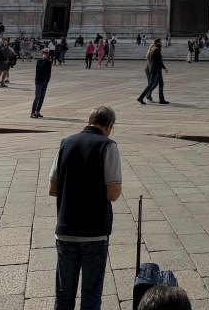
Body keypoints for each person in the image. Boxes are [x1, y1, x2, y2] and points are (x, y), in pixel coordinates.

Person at [48, 106, 121, 310]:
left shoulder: (66, 143)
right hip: (94, 232)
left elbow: (52, 189)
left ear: (89, 121)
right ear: (109, 125)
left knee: (63, 295)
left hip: (66, 230)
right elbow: (113, 194)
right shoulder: (108, 146)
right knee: (91, 296)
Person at [137, 40, 169, 104]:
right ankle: (141, 97)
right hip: (155, 69)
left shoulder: (155, 49)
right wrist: (164, 68)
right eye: (160, 42)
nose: (161, 43)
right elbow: (159, 61)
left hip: (158, 69)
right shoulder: (156, 50)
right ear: (157, 43)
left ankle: (161, 100)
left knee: (161, 84)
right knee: (151, 84)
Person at [32, 48, 53, 118]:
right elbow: (41, 68)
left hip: (45, 81)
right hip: (39, 81)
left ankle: (37, 111)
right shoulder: (39, 61)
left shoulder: (49, 62)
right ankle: (33, 112)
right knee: (37, 97)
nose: (46, 54)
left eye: (47, 53)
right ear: (42, 53)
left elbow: (49, 71)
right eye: (44, 53)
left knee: (42, 97)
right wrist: (44, 59)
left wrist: (48, 79)